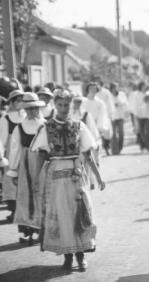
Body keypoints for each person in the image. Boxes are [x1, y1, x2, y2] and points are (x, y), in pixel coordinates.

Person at [31, 89, 105, 271]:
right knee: (62, 215)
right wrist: (34, 179)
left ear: (72, 105)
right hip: (56, 176)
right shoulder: (47, 128)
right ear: (55, 105)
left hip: (76, 174)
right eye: (60, 104)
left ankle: (80, 256)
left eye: (67, 105)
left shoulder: (79, 126)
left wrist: (98, 176)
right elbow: (41, 155)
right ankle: (67, 256)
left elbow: (87, 155)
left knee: (79, 213)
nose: (63, 108)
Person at [8, 93, 46, 245]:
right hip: (25, 164)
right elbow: (15, 148)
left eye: (34, 108)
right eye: (28, 109)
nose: (31, 111)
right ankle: (26, 231)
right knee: (24, 195)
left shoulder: (45, 125)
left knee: (42, 194)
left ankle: (41, 230)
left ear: (38, 108)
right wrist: (13, 169)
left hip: (42, 163)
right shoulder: (20, 127)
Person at [0, 89, 25, 222]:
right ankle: (13, 209)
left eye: (22, 100)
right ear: (12, 102)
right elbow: (2, 139)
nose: (20, 103)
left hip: (25, 150)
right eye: (18, 100)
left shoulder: (26, 115)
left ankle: (24, 209)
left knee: (24, 179)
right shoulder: (6, 118)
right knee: (11, 179)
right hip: (11, 152)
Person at [82, 82, 110, 156]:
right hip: (85, 126)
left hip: (95, 126)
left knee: (96, 145)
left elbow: (102, 115)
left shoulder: (100, 103)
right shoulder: (83, 101)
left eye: (94, 88)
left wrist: (100, 127)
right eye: (91, 88)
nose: (93, 90)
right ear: (87, 89)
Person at [134, 81, 149, 153]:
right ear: (140, 86)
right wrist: (135, 113)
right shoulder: (136, 94)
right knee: (141, 132)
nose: (144, 87)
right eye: (143, 86)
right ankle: (142, 147)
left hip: (148, 115)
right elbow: (134, 104)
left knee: (148, 132)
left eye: (145, 86)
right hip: (140, 115)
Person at [109, 83, 128, 154]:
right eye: (113, 88)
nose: (115, 89)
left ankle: (120, 147)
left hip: (120, 116)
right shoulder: (109, 95)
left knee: (121, 133)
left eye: (116, 88)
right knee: (113, 134)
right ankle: (115, 150)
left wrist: (118, 102)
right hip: (112, 116)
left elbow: (125, 102)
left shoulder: (121, 94)